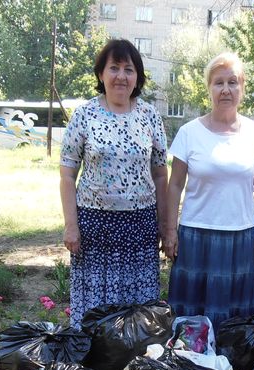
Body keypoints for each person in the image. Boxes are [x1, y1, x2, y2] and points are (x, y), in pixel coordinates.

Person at [59, 39, 168, 329]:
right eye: (114, 68)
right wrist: (71, 225)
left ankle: (133, 365)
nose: (121, 76)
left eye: (129, 69)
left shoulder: (149, 116)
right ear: (101, 74)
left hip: (139, 225)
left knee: (137, 310)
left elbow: (160, 173)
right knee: (96, 307)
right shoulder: (85, 115)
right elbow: (67, 174)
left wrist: (166, 226)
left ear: (137, 77)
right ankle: (94, 365)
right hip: (94, 225)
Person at [162, 52, 254, 330]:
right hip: (195, 239)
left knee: (235, 323)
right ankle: (190, 366)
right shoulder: (189, 132)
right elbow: (174, 184)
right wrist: (170, 231)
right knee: (191, 321)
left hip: (240, 238)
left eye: (233, 82)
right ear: (209, 88)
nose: (226, 89)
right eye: (219, 83)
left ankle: (230, 368)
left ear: (242, 87)